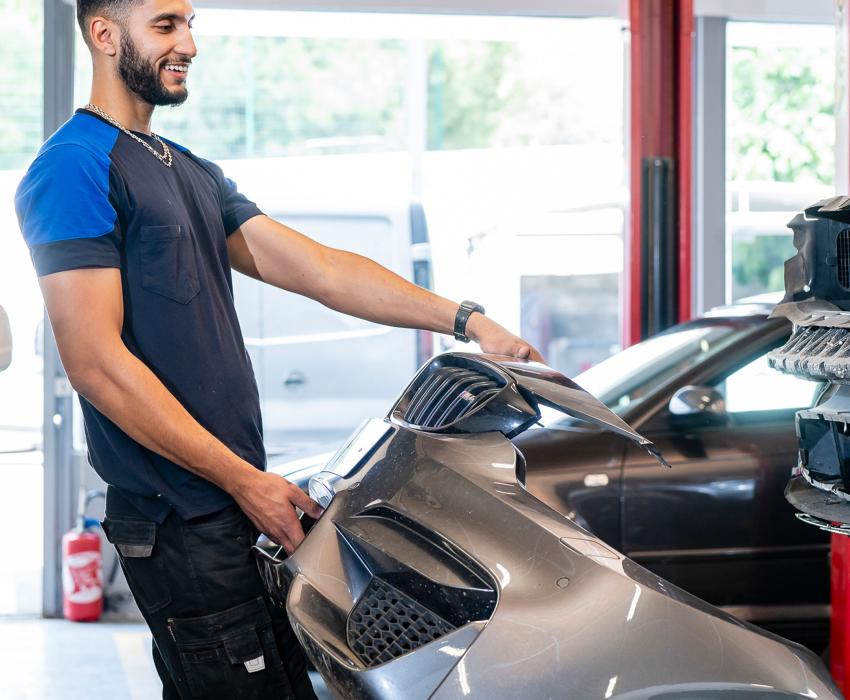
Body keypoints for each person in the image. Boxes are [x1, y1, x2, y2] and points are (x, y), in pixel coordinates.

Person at [15, 1, 543, 698]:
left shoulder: (186, 169)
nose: (191, 44)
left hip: (228, 509)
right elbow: (94, 364)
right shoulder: (73, 168)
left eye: (190, 23)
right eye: (167, 25)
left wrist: (467, 319)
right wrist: (243, 480)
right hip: (179, 517)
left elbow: (320, 270)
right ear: (105, 35)